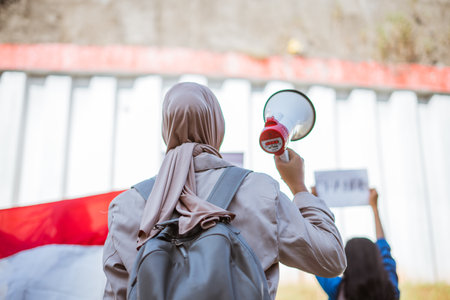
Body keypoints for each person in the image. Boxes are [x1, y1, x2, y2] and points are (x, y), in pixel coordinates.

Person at [102, 82, 347, 299]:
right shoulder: (259, 191)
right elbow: (332, 259)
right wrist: (299, 187)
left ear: (166, 128)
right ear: (217, 127)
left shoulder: (124, 207)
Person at [315, 188, 400, 300]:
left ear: (347, 263)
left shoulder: (338, 290)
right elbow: (383, 246)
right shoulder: (390, 289)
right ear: (376, 258)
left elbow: (317, 257)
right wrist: (375, 209)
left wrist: (315, 204)